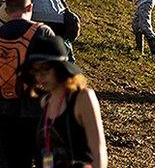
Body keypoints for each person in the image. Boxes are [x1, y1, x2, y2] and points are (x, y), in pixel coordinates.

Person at [0, 0, 55, 168]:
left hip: (5, 113)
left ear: (7, 9)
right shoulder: (43, 32)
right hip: (39, 113)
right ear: (30, 7)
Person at [22, 36, 108, 168]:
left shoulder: (82, 98)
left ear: (61, 68)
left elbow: (98, 151)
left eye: (46, 68)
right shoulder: (45, 102)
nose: (40, 76)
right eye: (35, 70)